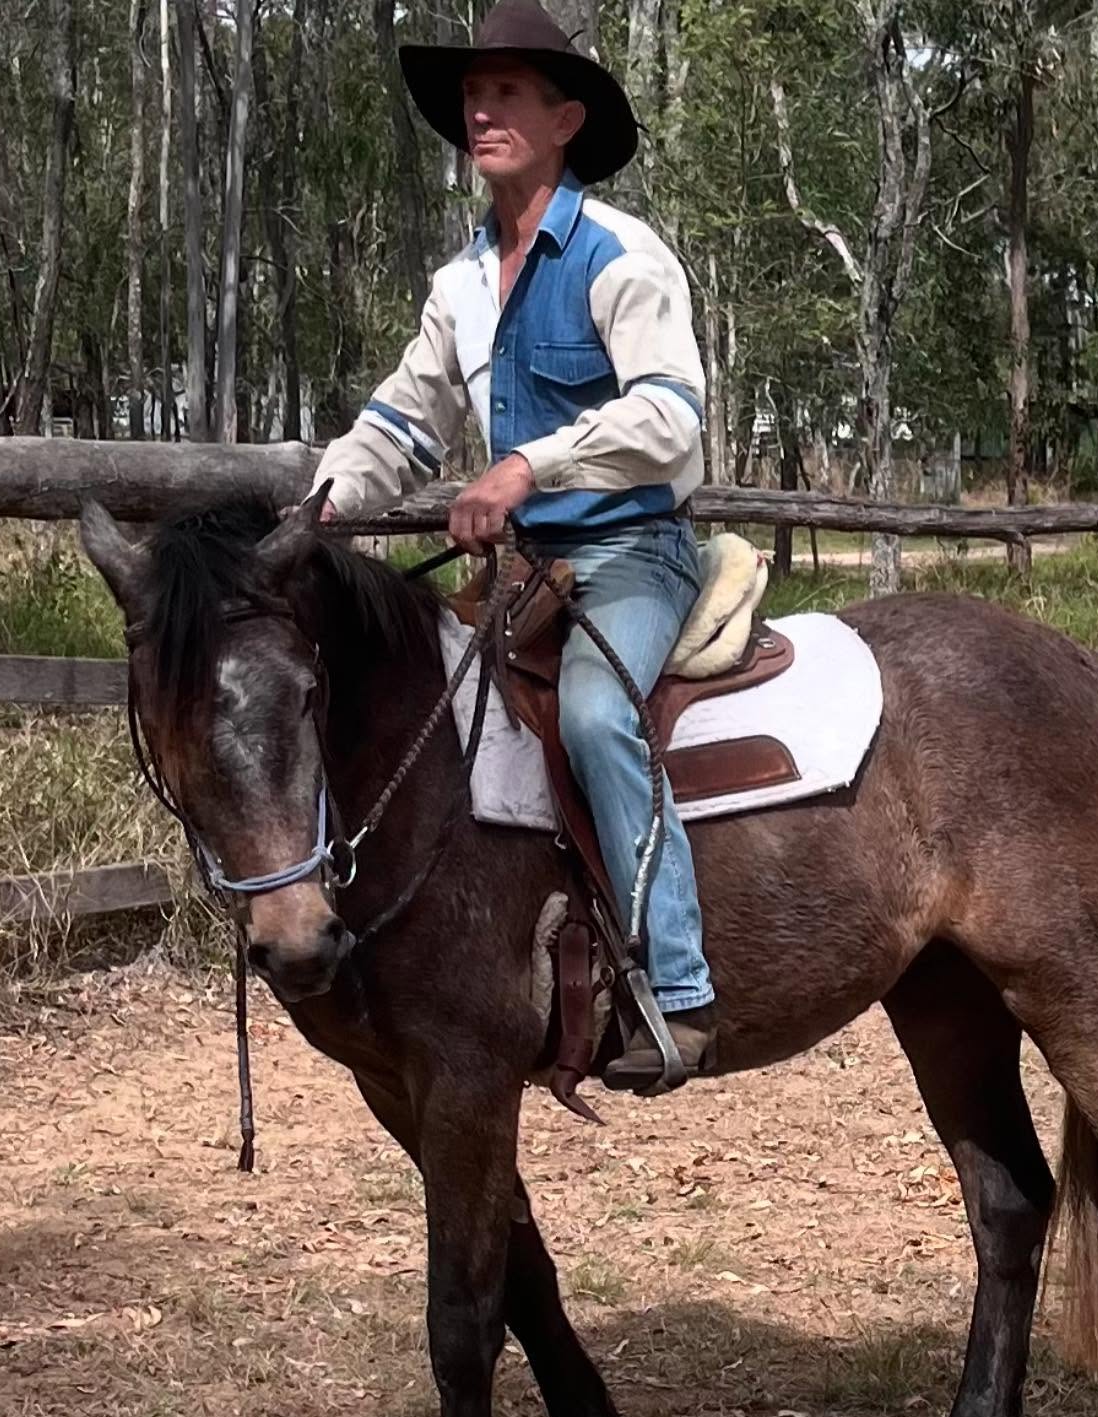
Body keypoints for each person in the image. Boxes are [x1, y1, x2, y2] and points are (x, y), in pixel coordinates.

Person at [310, 0, 715, 1084]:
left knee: (590, 711)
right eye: (471, 95)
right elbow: (402, 419)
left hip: (634, 553)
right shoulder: (458, 288)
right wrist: (323, 509)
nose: (479, 111)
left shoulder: (624, 256)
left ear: (567, 116)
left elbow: (674, 413)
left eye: (507, 93)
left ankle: (676, 987)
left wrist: (530, 465)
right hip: (522, 577)